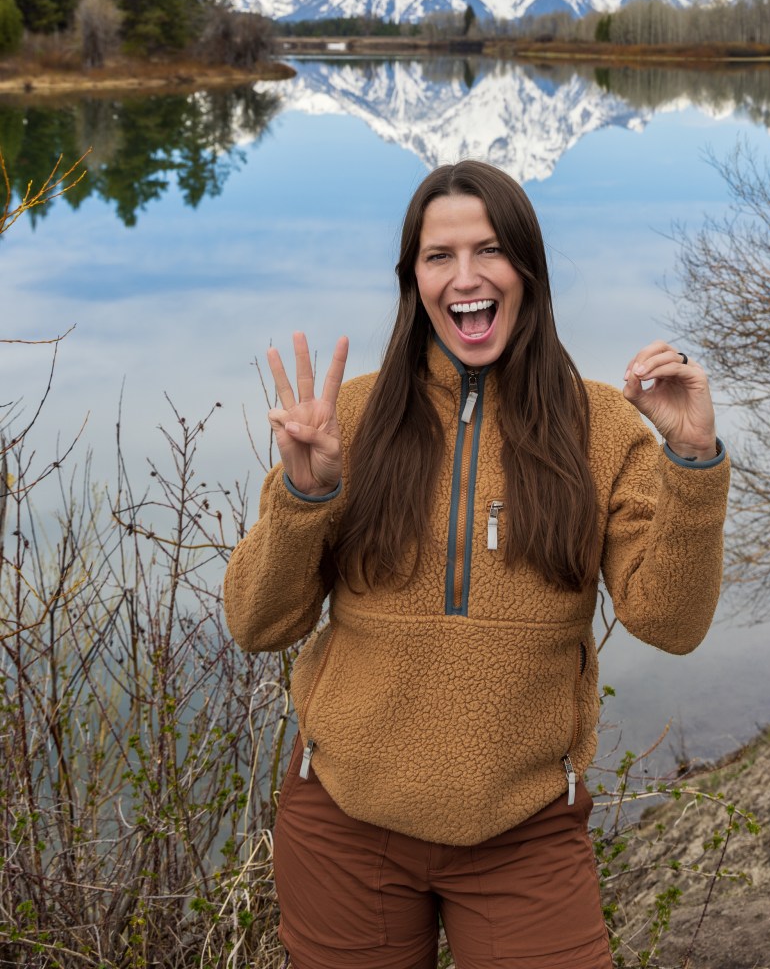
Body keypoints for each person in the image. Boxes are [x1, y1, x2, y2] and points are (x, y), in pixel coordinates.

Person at [223, 159, 730, 969]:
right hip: (344, 830)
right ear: (412, 278)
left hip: (523, 836)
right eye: (438, 256)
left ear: (526, 268)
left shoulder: (601, 428)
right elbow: (258, 623)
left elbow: (669, 625)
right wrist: (300, 495)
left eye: (489, 250)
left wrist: (694, 463)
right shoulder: (347, 420)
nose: (466, 278)